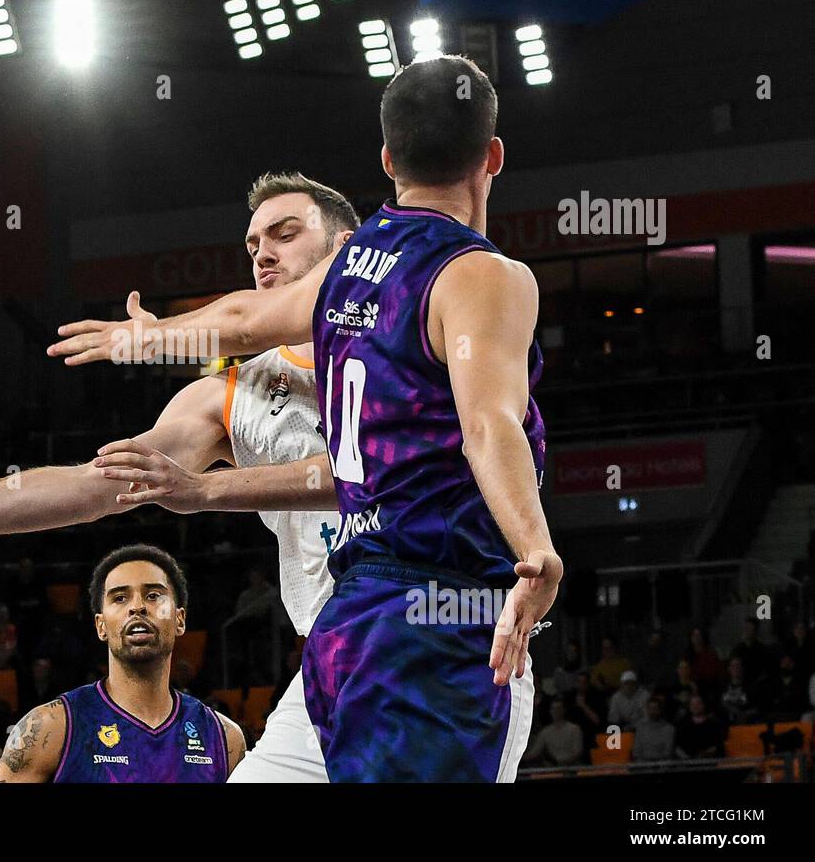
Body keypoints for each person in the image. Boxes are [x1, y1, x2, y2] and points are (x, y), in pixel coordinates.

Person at [48, 55, 561, 782]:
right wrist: (536, 547)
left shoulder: (350, 271)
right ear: (494, 157)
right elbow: (489, 426)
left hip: (349, 621)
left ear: (387, 161)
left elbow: (241, 318)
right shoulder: (485, 275)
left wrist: (151, 335)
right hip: (441, 611)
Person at [0, 171, 363, 783]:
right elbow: (95, 485)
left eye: (284, 234)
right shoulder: (232, 395)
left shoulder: (408, 343)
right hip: (334, 656)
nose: (262, 253)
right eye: (253, 243)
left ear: (346, 248)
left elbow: (370, 470)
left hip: (435, 625)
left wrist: (156, 342)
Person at [0, 545, 245, 782]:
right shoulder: (52, 726)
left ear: (179, 620)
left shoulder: (223, 738)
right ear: (101, 626)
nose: (137, 607)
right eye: (120, 598)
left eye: (153, 595)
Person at [522, 699, 582, 767]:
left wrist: (561, 761)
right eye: (553, 709)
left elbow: (577, 752)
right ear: (550, 711)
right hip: (554, 769)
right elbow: (534, 753)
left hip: (572, 769)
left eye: (559, 708)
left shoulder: (574, 729)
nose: (556, 711)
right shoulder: (546, 732)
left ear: (564, 710)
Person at [632, 698, 676, 762]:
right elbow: (636, 751)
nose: (652, 712)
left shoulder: (669, 729)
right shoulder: (641, 727)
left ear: (660, 710)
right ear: (647, 710)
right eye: (650, 709)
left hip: (661, 765)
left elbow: (667, 752)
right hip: (643, 764)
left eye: (655, 709)